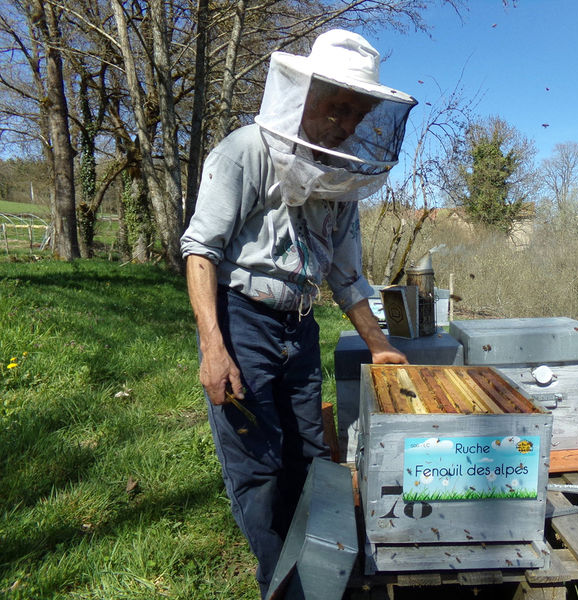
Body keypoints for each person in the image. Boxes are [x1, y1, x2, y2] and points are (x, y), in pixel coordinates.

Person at [180, 29, 417, 597]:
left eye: (357, 113)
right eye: (336, 106)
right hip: (243, 320)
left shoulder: (342, 178)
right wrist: (214, 348)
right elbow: (200, 250)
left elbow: (347, 274)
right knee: (257, 464)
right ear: (305, 94)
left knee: (313, 457)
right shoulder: (245, 151)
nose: (345, 123)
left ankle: (320, 574)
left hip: (300, 328)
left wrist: (379, 342)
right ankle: (281, 587)